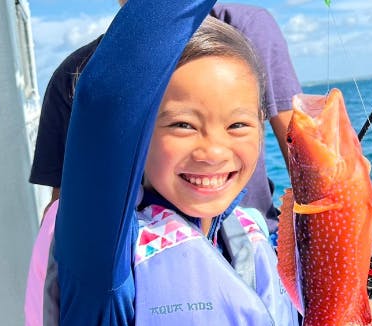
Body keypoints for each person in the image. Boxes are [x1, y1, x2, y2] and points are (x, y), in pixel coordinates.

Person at [23, 1, 372, 326]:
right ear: (135, 138)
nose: (213, 151)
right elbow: (108, 99)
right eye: (182, 124)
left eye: (238, 125)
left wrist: (347, 299)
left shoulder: (256, 249)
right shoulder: (107, 269)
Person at [29, 1, 298, 238]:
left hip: (258, 242)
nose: (212, 153)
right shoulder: (76, 75)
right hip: (141, 264)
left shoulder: (249, 27)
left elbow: (304, 155)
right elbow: (64, 206)